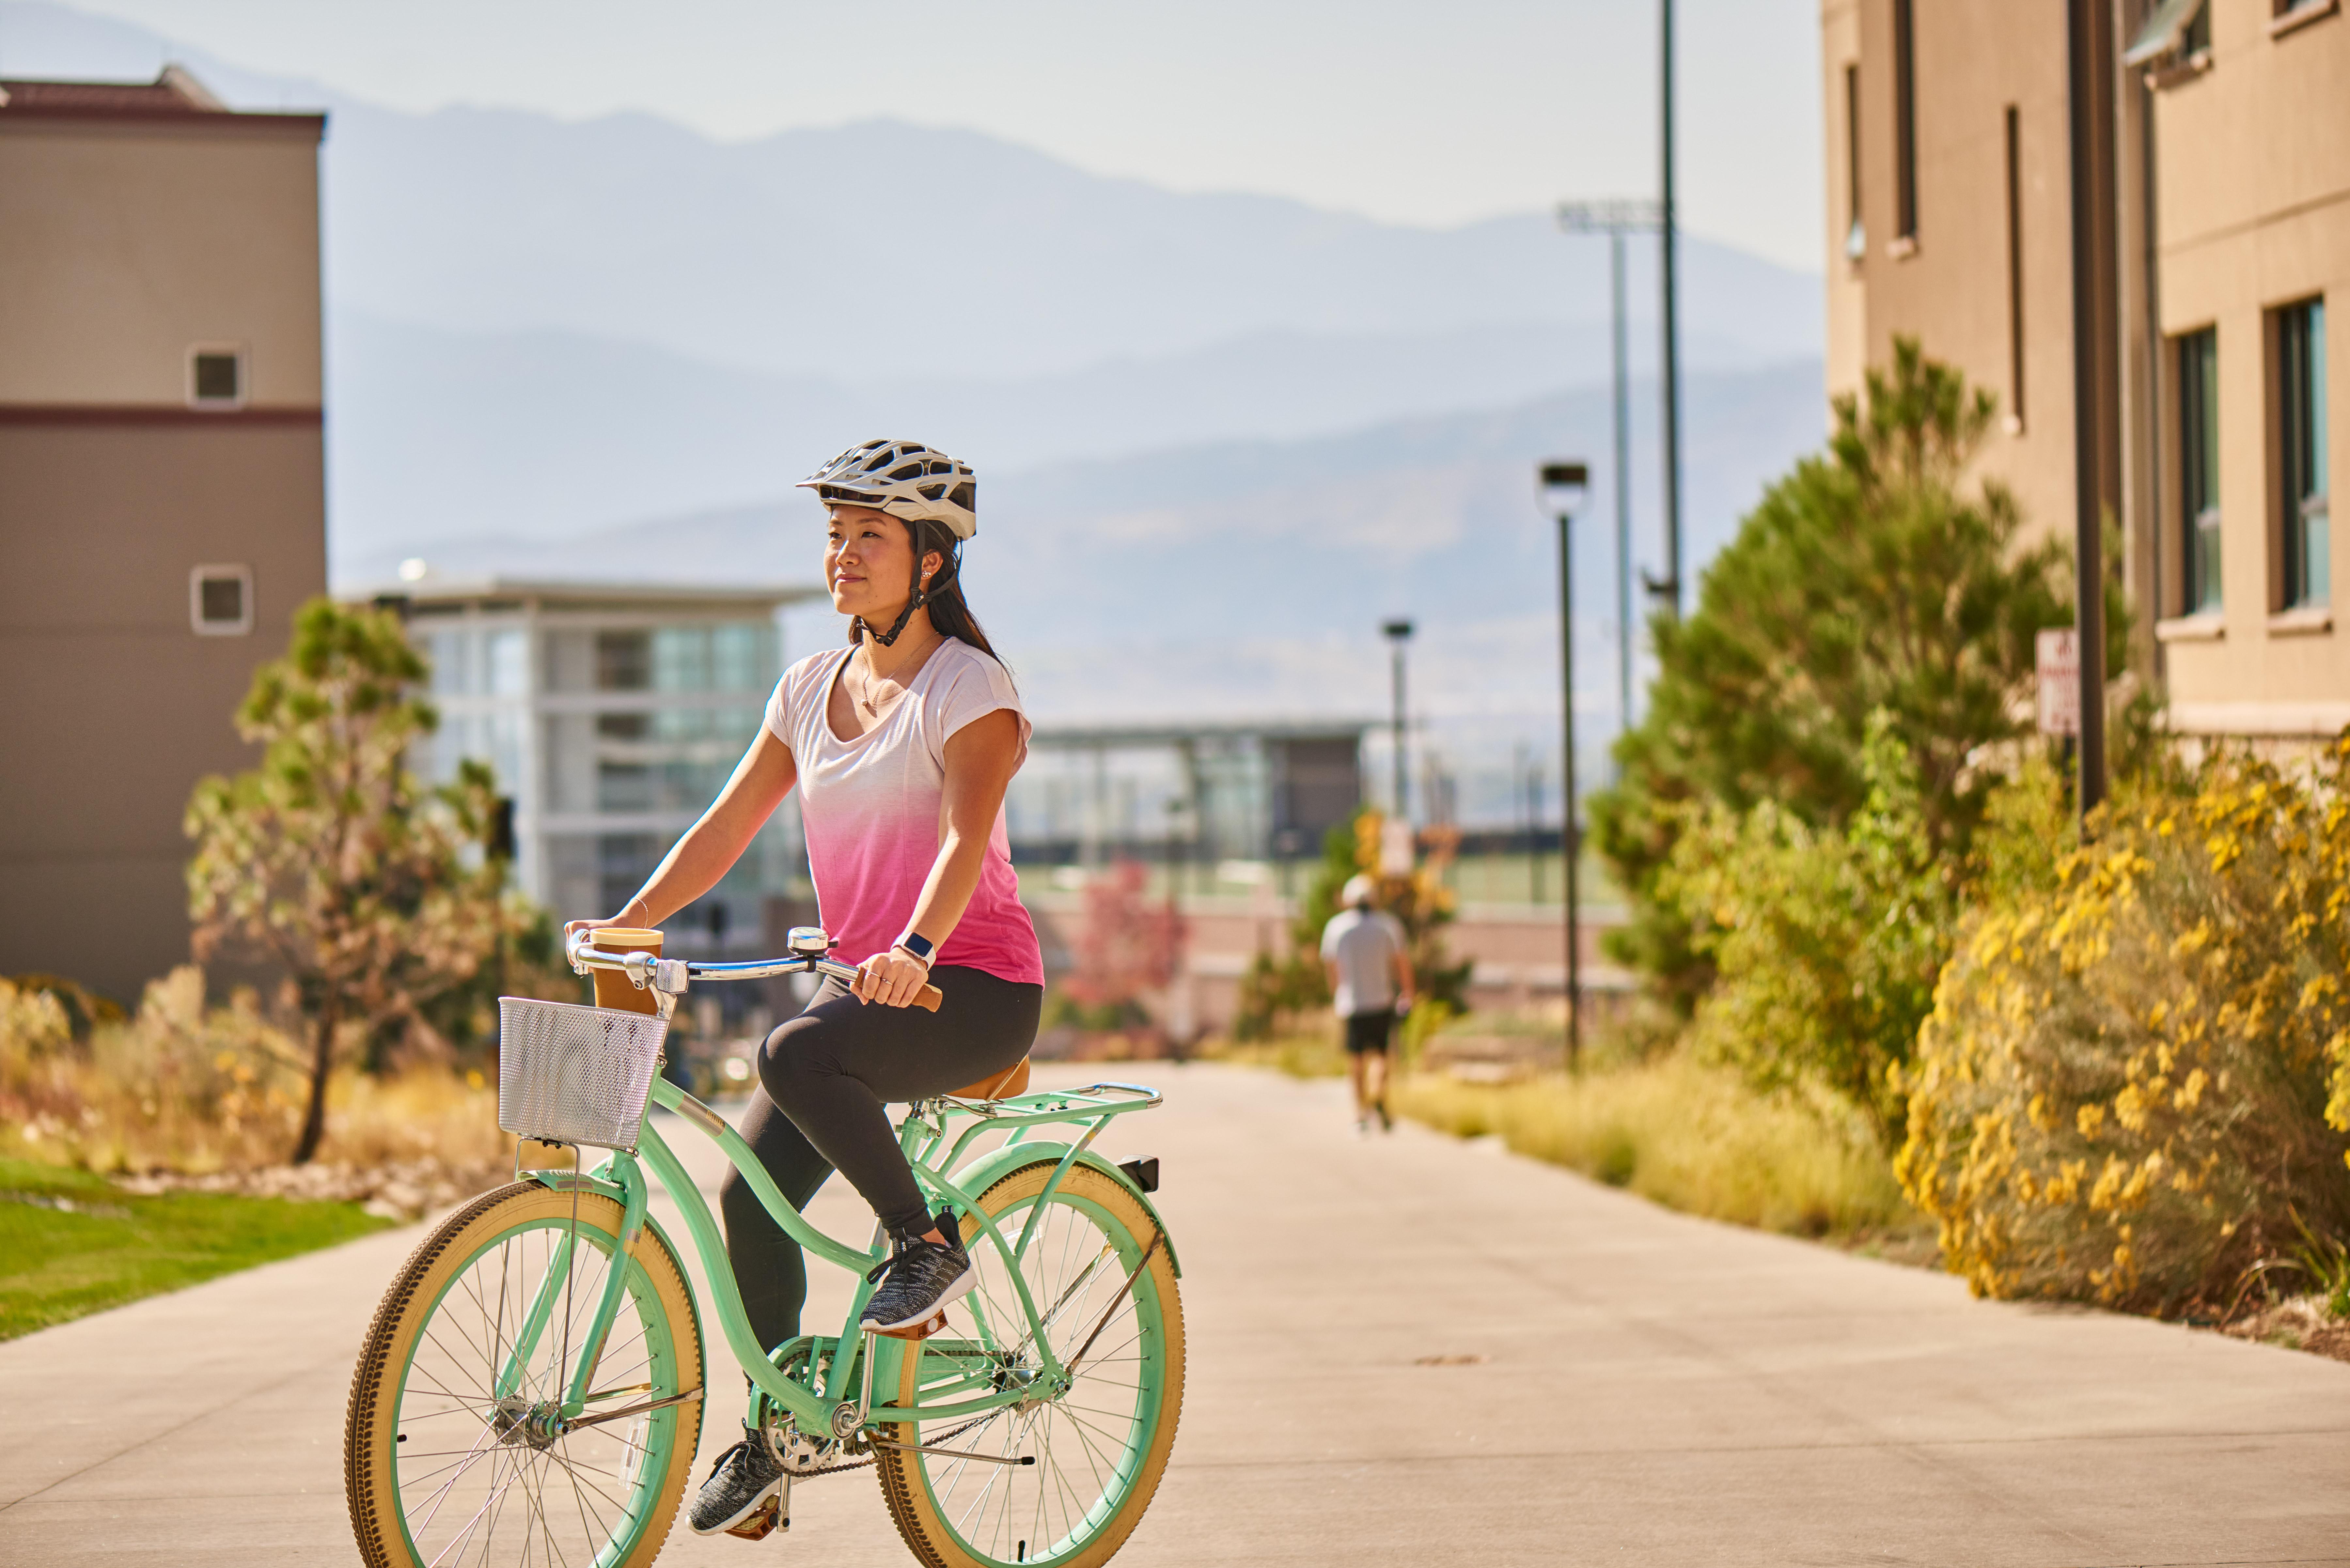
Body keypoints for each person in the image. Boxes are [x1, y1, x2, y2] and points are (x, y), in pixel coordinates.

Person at [562, 438, 1044, 1536]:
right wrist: (631, 923)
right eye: (834, 534)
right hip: (868, 995)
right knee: (749, 1192)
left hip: (970, 984)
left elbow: (968, 835)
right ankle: (775, 1434)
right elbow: (726, 825)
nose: (843, 554)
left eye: (868, 535)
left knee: (791, 1051)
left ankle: (925, 1247)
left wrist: (917, 945)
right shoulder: (809, 687)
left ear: (931, 560)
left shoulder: (972, 689)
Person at [1320, 873, 1413, 1134]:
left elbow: (1332, 968)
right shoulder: (1387, 926)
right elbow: (1402, 963)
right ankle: (1378, 1097)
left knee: (1357, 1060)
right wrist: (1407, 993)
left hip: (1352, 1002)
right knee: (1382, 1056)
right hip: (1381, 999)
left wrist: (1335, 993)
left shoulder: (1338, 928)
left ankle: (1360, 1112)